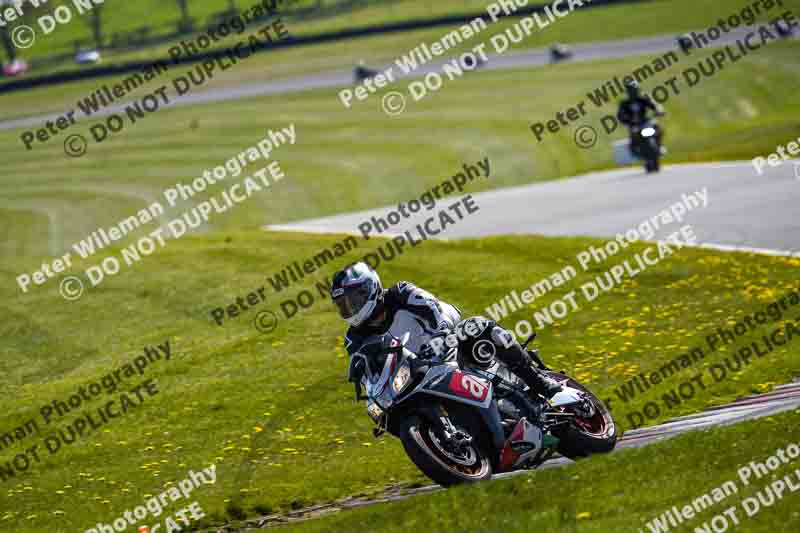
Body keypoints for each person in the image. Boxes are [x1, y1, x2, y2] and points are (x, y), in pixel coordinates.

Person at [330, 262, 563, 400]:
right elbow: (363, 369)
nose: (350, 309)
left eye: (353, 300)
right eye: (343, 305)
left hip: (446, 342)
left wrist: (441, 334)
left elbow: (432, 308)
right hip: (414, 372)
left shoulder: (400, 293)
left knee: (479, 326)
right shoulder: (354, 337)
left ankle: (539, 380)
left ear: (369, 289)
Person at [617, 80, 664, 152]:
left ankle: (659, 145)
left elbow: (655, 105)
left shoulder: (643, 99)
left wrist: (659, 110)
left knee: (658, 129)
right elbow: (620, 115)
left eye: (634, 89)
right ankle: (634, 148)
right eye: (631, 90)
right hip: (633, 125)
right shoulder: (625, 103)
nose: (633, 92)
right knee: (634, 136)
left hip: (645, 123)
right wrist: (625, 120)